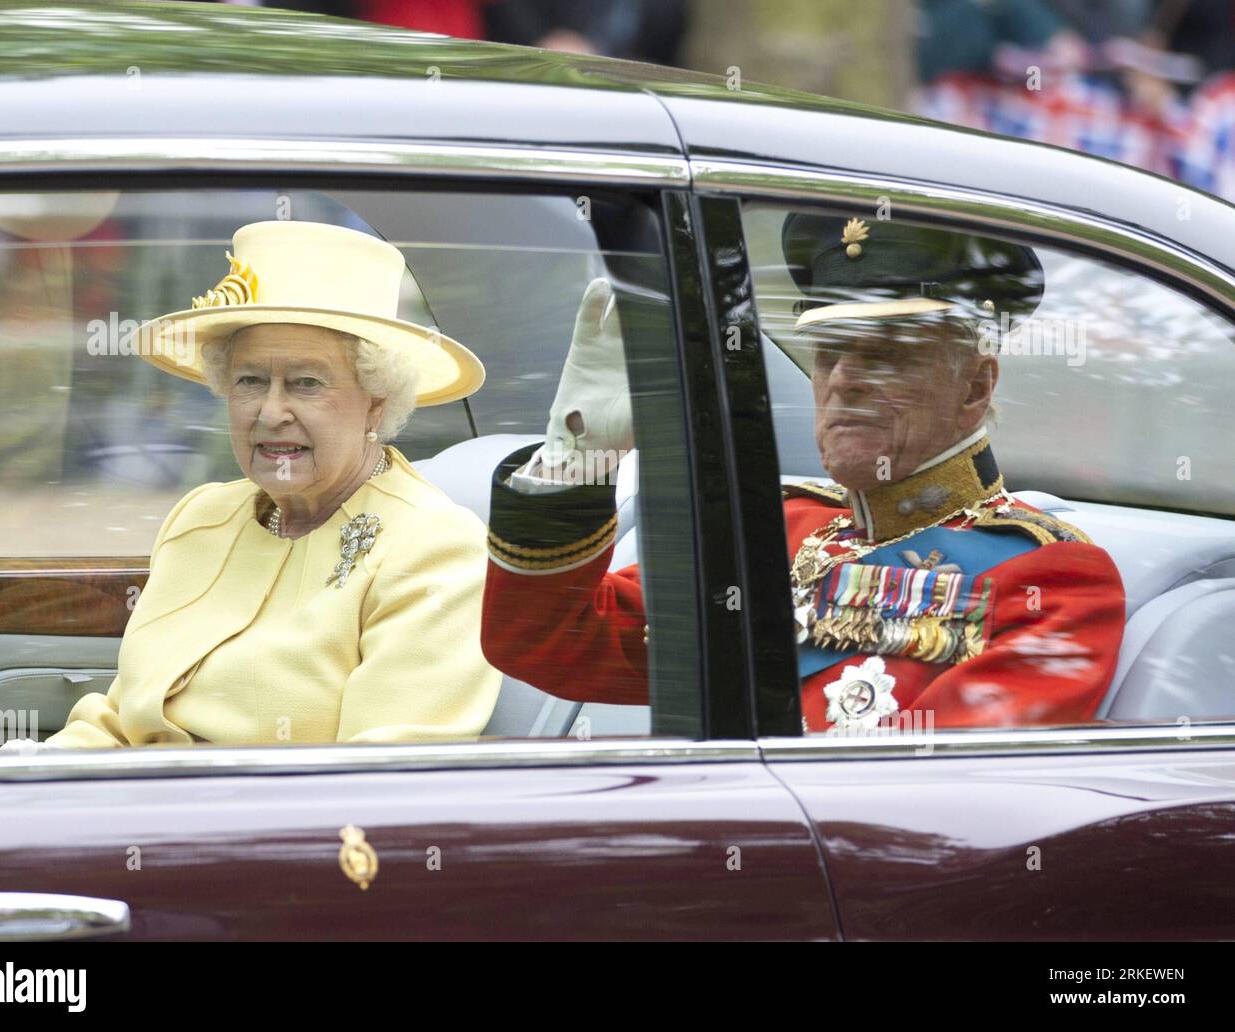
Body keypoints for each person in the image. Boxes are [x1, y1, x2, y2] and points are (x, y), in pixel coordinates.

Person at [480, 215, 1127, 732]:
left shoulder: (1047, 578)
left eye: (883, 355)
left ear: (974, 385)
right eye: (830, 354)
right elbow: (547, 644)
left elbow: (943, 811)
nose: (843, 379)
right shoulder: (782, 528)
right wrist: (576, 455)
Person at [3, 220, 500, 750]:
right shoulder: (202, 518)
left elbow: (381, 781)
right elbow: (121, 722)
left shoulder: (435, 548)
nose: (270, 412)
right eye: (250, 381)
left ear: (376, 401)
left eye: (306, 383)